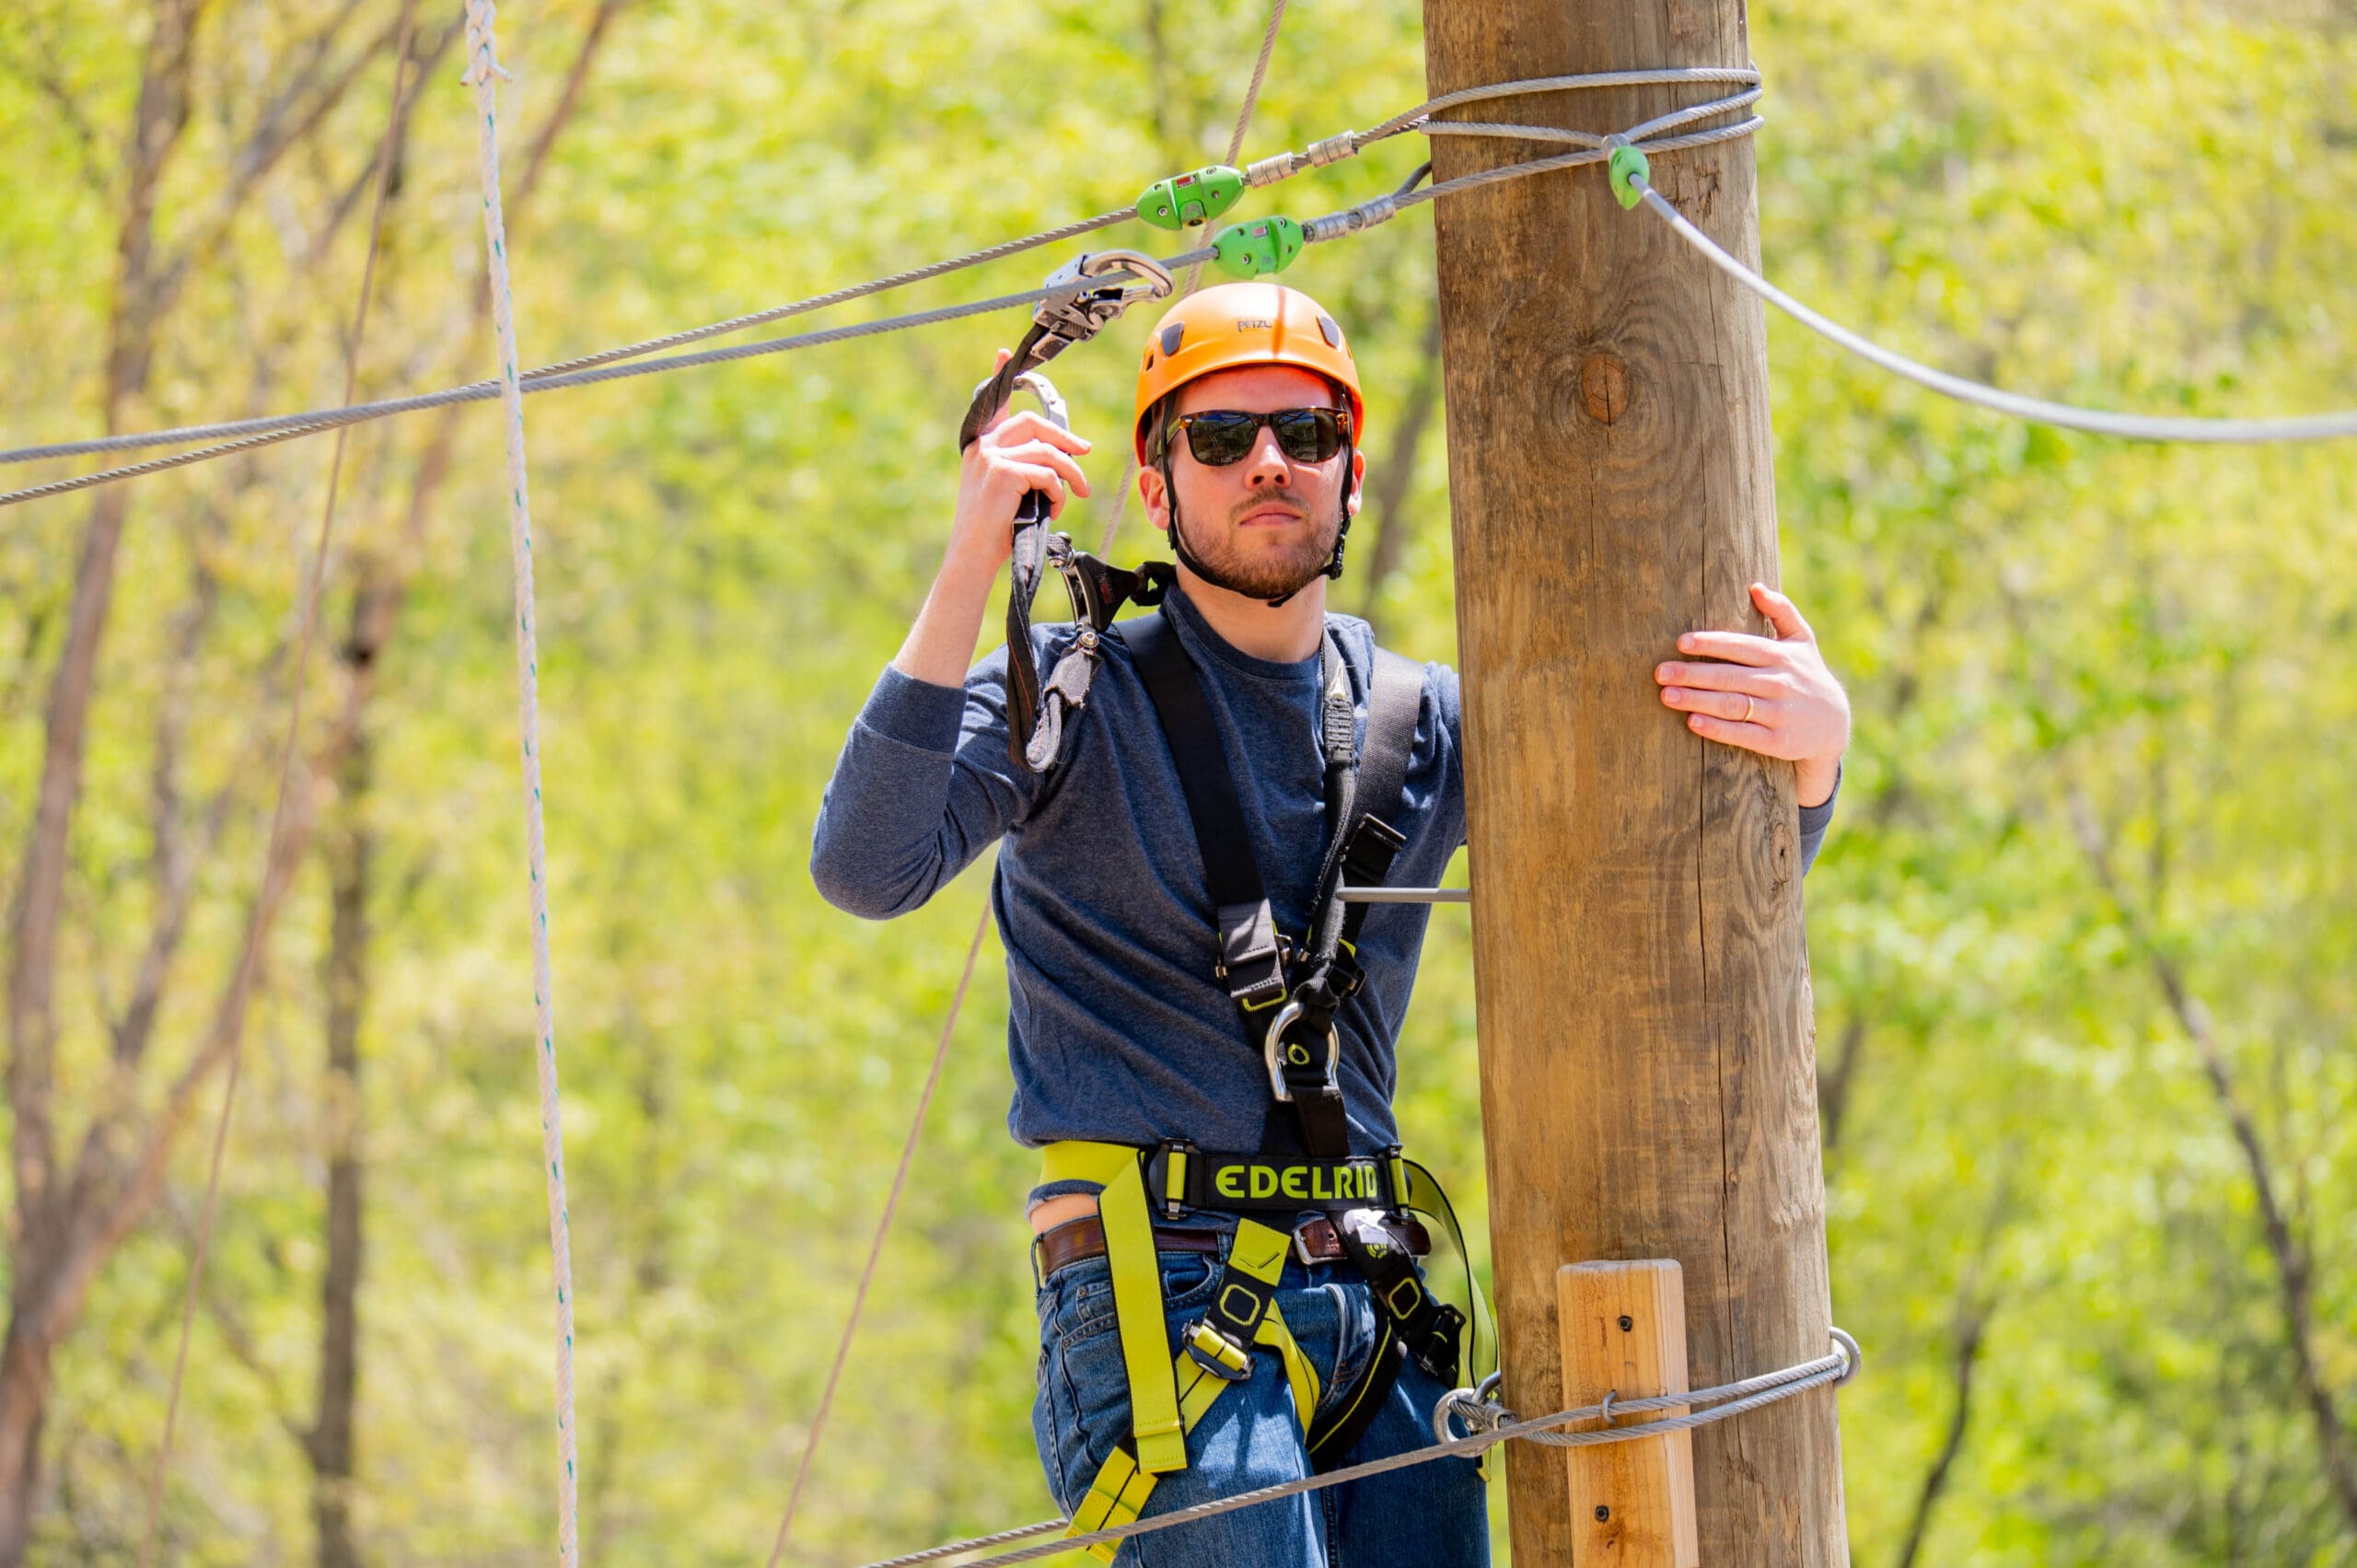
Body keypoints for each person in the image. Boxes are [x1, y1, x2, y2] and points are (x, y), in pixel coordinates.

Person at [810, 282, 1850, 1566]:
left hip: (1378, 1294)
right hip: (1165, 1284)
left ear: (1350, 477)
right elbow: (866, 866)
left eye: (1304, 435)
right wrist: (975, 550)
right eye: (1220, 437)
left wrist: (1809, 762)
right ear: (1156, 483)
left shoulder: (1426, 725)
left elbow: (1665, 913)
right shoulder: (1069, 699)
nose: (1267, 463)